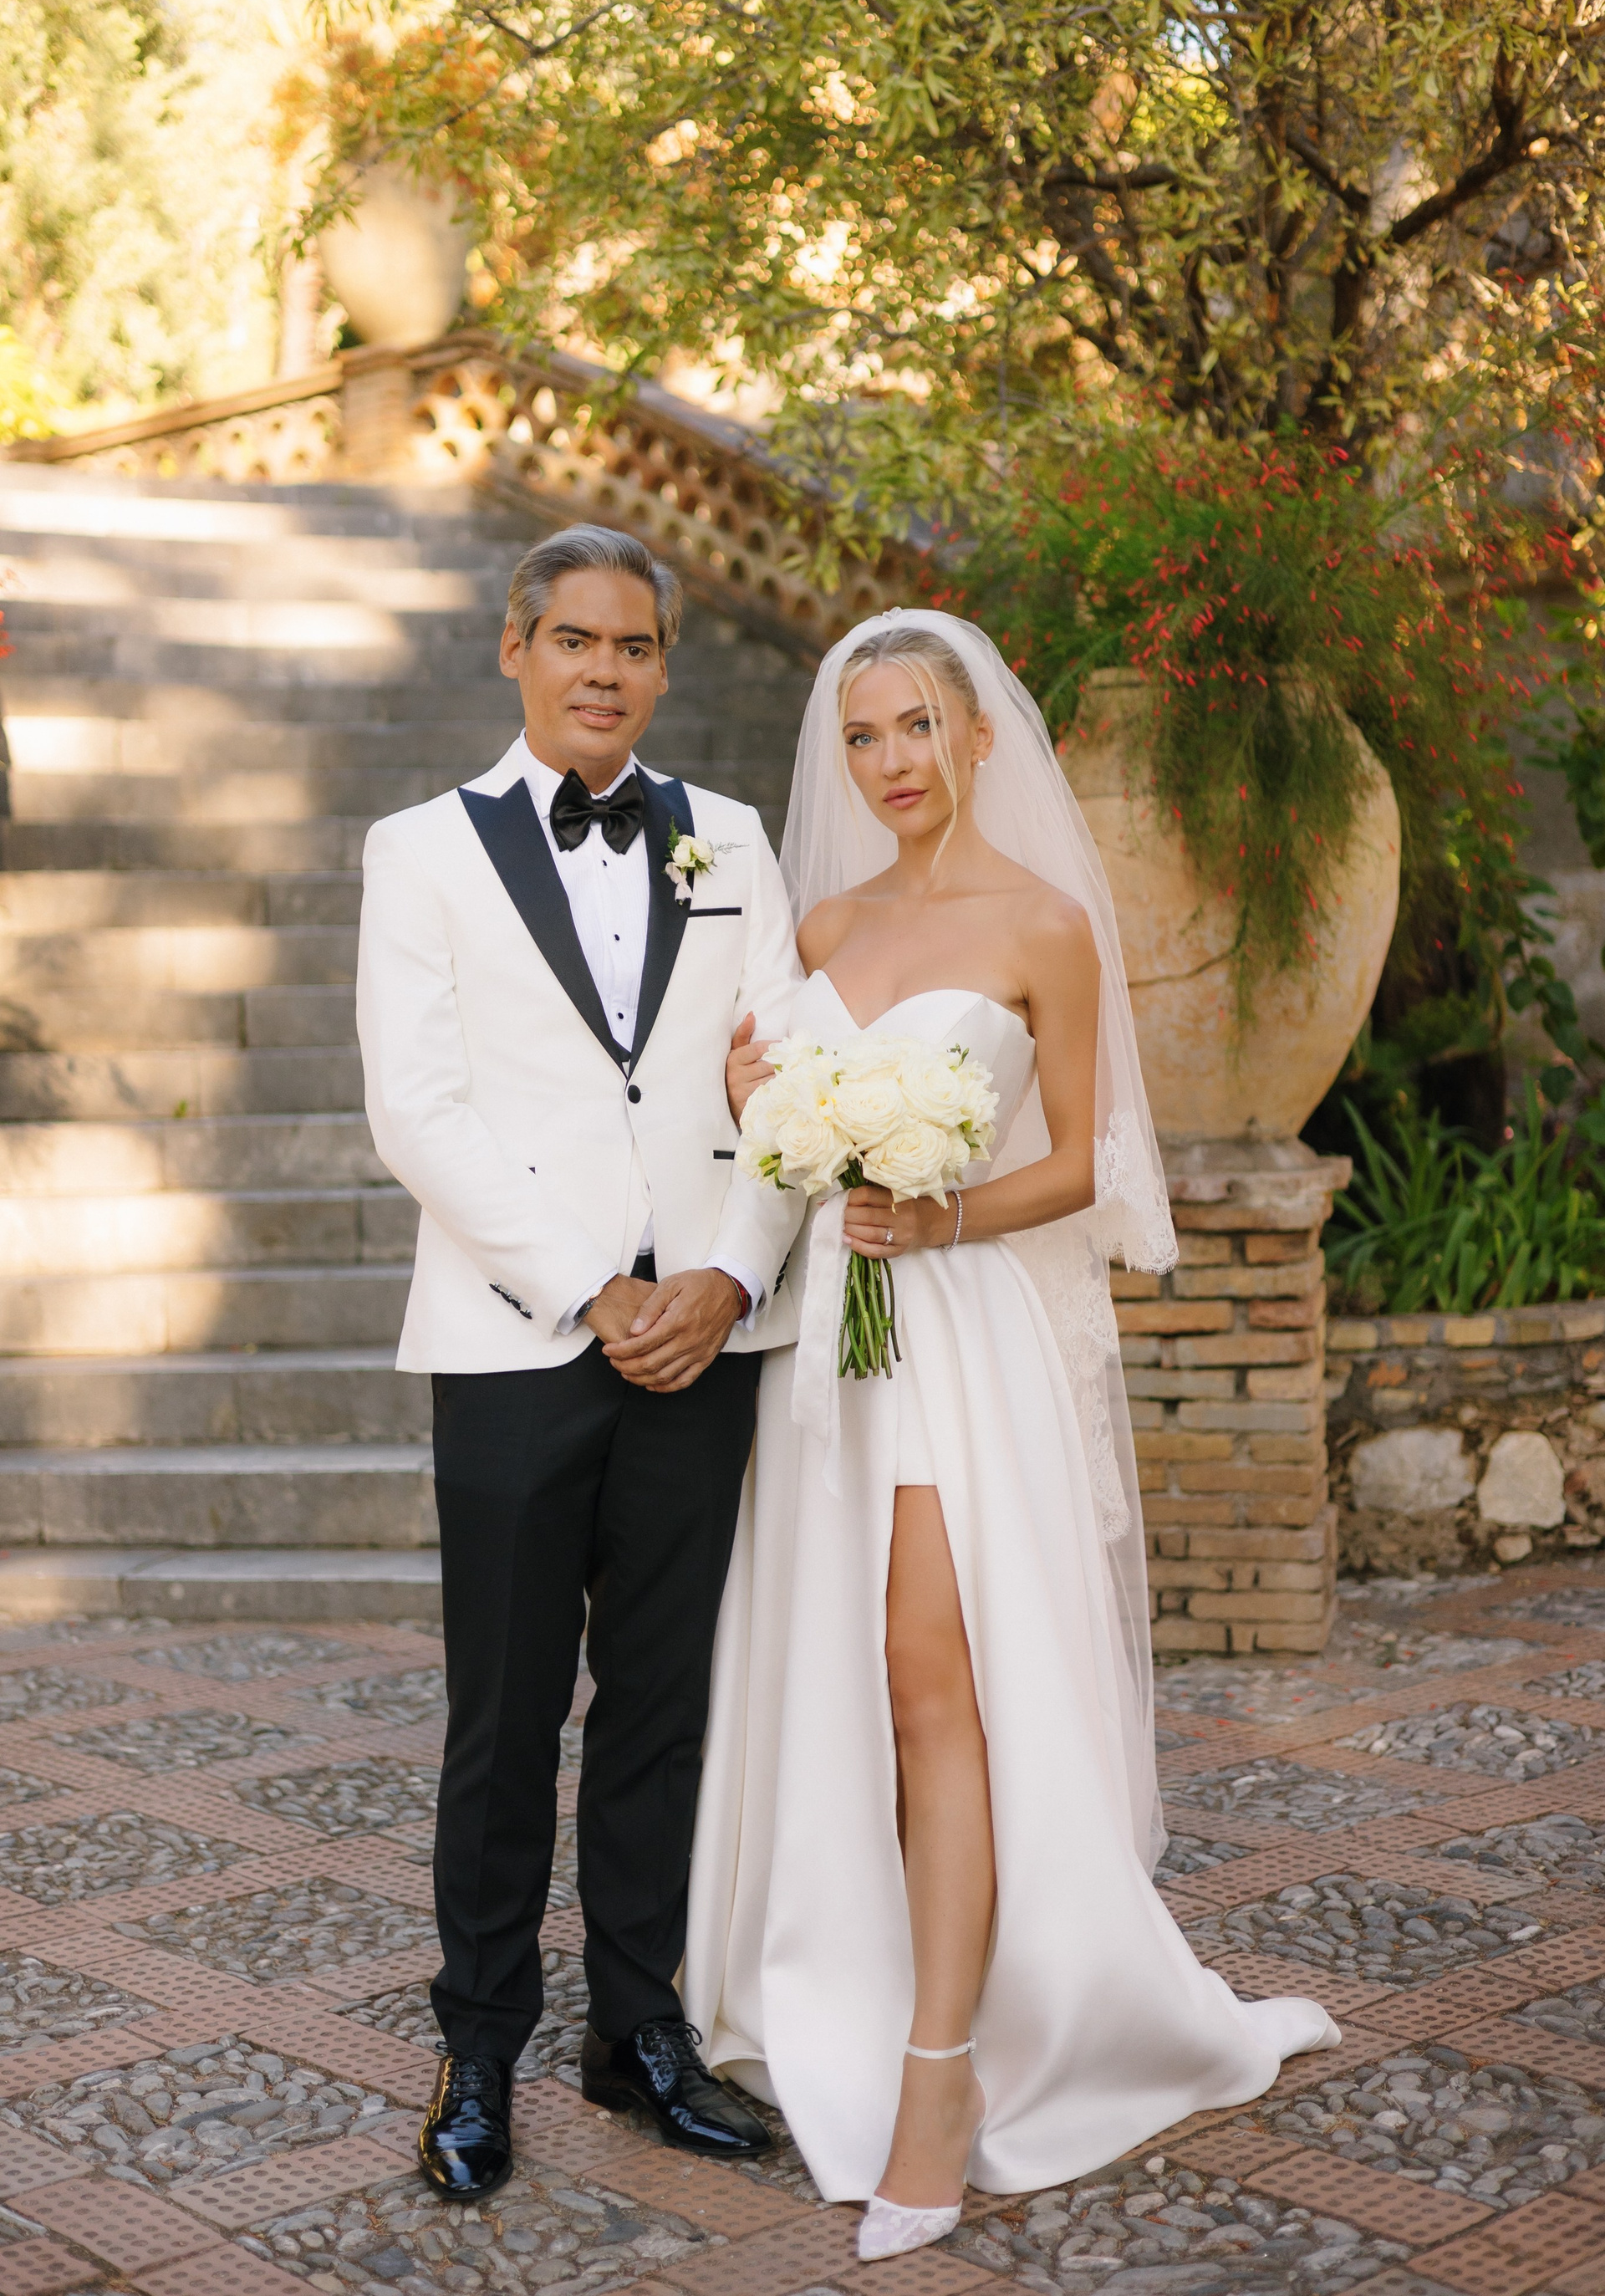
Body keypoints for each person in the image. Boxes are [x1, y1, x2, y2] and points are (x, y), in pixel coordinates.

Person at [684, 611, 1338, 2263]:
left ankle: (940, 2078)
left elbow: (1096, 1164)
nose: (889, 761)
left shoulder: (1046, 921)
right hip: (837, 1351)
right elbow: (782, 1160)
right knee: (860, 1681)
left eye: (917, 726)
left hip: (962, 1336)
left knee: (933, 1676)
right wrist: (758, 1107)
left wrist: (949, 1211)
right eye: (862, 736)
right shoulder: (825, 923)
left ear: (981, 737)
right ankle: (866, 1974)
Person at [356, 524, 805, 2201]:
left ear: (664, 665)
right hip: (515, 1340)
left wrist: (729, 1275)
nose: (604, 669)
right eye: (574, 639)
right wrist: (592, 1291)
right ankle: (479, 2047)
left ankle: (639, 2032)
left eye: (633, 644)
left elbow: (787, 1081)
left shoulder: (731, 838)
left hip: (705, 1340)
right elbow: (419, 1109)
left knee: (663, 1704)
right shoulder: (422, 851)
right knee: (505, 1713)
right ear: (516, 648)